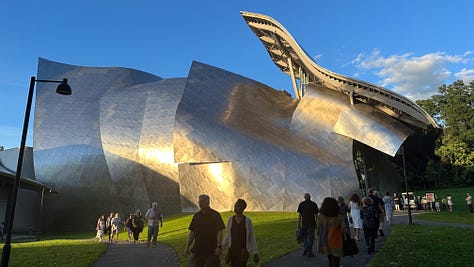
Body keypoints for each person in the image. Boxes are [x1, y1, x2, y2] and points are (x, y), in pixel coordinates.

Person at [184, 194, 225, 267]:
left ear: (208, 202)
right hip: (198, 250)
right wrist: (187, 246)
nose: (200, 203)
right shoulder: (196, 216)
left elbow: (219, 231)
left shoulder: (215, 215)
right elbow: (192, 232)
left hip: (211, 250)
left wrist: (219, 246)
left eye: (202, 201)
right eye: (199, 202)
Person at [222, 199, 259, 267]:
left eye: (237, 206)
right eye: (235, 206)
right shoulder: (231, 220)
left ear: (242, 208)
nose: (235, 208)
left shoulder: (247, 221)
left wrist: (255, 253)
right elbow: (228, 236)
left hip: (243, 252)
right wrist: (221, 247)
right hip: (232, 250)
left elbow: (252, 237)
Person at [316, 197, 343, 267]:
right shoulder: (338, 216)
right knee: (336, 259)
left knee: (330, 258)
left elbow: (319, 229)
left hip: (325, 240)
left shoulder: (321, 216)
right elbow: (343, 229)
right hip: (336, 240)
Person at [297, 192, 319, 257]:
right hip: (312, 224)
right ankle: (309, 251)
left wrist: (298, 224)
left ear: (304, 197)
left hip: (304, 224)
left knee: (304, 238)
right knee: (311, 238)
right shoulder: (314, 204)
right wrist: (316, 223)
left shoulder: (301, 204)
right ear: (310, 197)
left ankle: (306, 249)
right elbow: (316, 215)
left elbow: (299, 215)